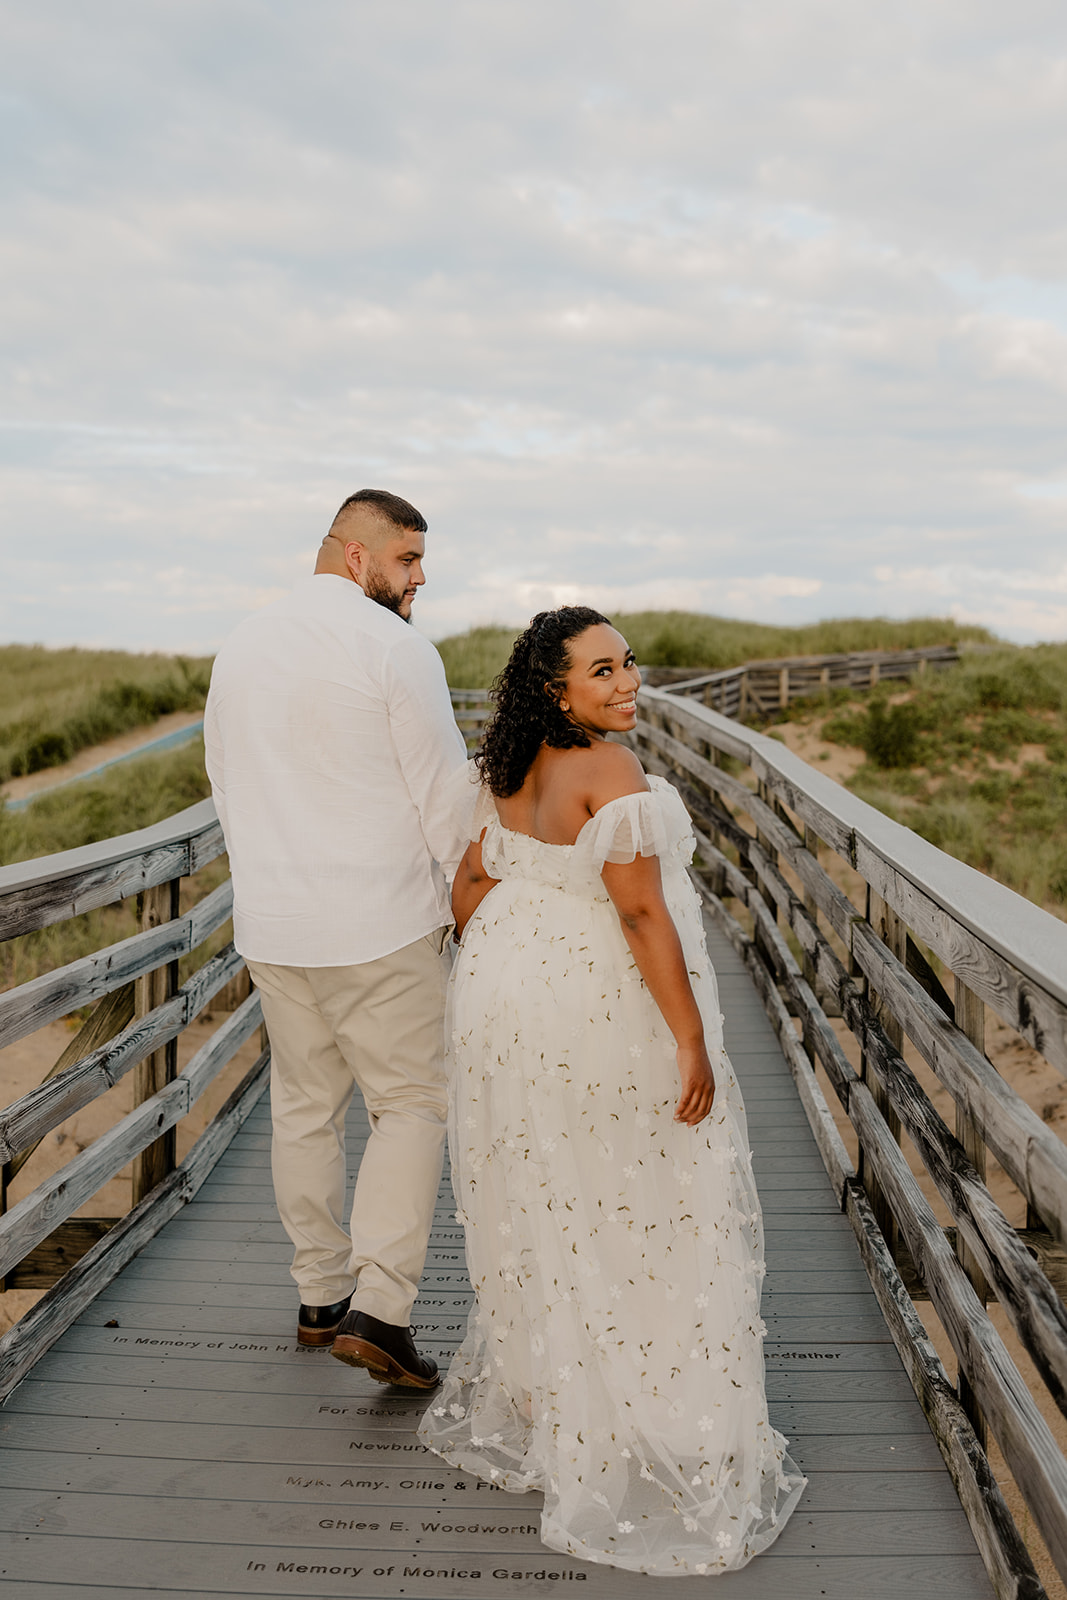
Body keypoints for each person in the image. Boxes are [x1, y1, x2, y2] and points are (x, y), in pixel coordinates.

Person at [417, 606, 805, 1573]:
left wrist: (508, 956)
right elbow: (639, 914)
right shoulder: (610, 772)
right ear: (558, 690)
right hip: (591, 1002)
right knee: (633, 1191)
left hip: (508, 998)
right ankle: (651, 1408)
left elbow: (468, 888)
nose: (627, 681)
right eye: (602, 671)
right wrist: (690, 1040)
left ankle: (550, 1395)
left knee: (544, 1191)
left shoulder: (503, 771)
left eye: (628, 663)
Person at [204, 488, 469, 1388]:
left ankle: (319, 1295)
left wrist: (270, 882)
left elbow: (224, 785)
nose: (418, 578)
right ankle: (382, 1309)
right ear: (355, 556)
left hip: (276, 924)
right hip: (382, 923)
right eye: (406, 560)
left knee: (304, 1104)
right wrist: (471, 902)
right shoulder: (394, 648)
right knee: (410, 1105)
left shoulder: (240, 647)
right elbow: (443, 796)